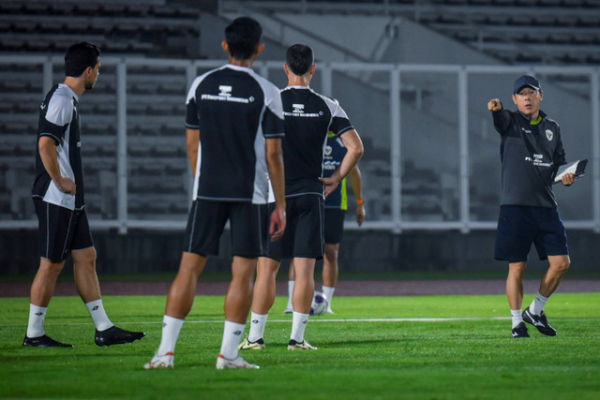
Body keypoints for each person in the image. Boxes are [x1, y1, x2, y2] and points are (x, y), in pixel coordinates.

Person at [144, 17, 286, 370]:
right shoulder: (268, 92)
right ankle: (228, 355)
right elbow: (272, 155)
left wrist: (201, 182)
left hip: (206, 190)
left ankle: (165, 353)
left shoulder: (200, 84)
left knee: (188, 270)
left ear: (225, 46)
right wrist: (280, 203)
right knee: (243, 274)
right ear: (260, 49)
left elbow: (192, 143)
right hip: (250, 194)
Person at [240, 44, 364, 351]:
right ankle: (297, 338)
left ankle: (255, 337)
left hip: (274, 196)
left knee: (267, 268)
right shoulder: (327, 105)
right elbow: (356, 147)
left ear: (285, 68)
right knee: (306, 269)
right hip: (311, 193)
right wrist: (336, 177)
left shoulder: (271, 101)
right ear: (313, 69)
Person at [24, 42, 145, 348]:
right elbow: (45, 144)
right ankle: (34, 333)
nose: (99, 76)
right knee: (51, 264)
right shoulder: (63, 98)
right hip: (57, 196)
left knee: (86, 257)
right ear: (88, 71)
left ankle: (103, 328)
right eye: (99, 70)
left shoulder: (66, 98)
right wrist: (60, 180)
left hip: (69, 199)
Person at [487, 74, 576, 339]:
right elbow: (499, 118)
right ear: (515, 99)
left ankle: (535, 310)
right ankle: (517, 323)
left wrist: (567, 176)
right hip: (515, 207)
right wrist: (497, 108)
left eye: (531, 92)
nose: (527, 98)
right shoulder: (510, 122)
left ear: (540, 96)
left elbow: (558, 165)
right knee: (517, 268)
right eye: (522, 94)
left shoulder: (553, 127)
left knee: (561, 263)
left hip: (546, 206)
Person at [284, 153, 365, 314]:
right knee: (299, 251)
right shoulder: (309, 135)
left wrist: (360, 202)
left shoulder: (343, 139)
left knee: (331, 252)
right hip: (307, 199)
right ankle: (291, 303)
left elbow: (353, 170)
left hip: (333, 204)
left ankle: (326, 302)